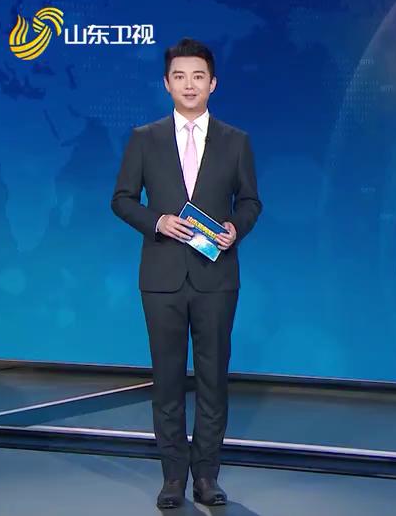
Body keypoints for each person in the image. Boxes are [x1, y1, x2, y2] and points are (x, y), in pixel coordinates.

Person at [111, 37, 261, 509]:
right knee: (167, 380)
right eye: (180, 76)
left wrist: (236, 228)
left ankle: (207, 477)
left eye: (198, 76)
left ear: (213, 83)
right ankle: (173, 477)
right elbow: (121, 199)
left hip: (217, 278)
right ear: (167, 83)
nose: (189, 84)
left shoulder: (236, 141)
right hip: (162, 279)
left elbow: (251, 201)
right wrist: (156, 221)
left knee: (214, 379)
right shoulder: (144, 138)